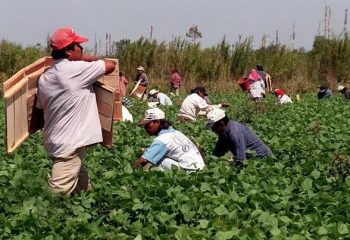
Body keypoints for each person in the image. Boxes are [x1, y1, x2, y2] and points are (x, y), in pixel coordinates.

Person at [37, 27, 116, 195]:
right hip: (70, 143)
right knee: (57, 194)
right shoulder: (73, 70)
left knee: (80, 178)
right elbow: (110, 65)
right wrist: (86, 58)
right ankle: (47, 218)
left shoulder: (46, 76)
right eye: (78, 45)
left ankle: (88, 200)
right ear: (67, 50)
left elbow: (40, 107)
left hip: (57, 138)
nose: (82, 48)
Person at [133, 108, 205, 171]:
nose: (145, 127)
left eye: (148, 124)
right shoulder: (176, 132)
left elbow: (143, 161)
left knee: (156, 159)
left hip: (189, 170)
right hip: (201, 168)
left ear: (157, 122)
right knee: (155, 153)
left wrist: (132, 170)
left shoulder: (162, 139)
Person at [206, 108, 272, 165]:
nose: (212, 130)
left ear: (222, 124)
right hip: (251, 160)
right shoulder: (225, 131)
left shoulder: (235, 133)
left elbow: (241, 159)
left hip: (262, 160)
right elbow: (219, 149)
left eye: (214, 127)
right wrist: (210, 162)